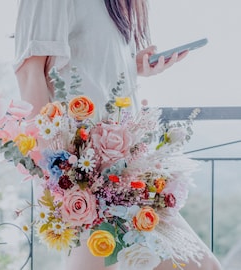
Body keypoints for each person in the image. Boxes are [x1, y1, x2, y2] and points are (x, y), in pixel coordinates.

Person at [13, 0, 222, 269]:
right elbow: (30, 74)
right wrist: (59, 172)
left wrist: (133, 66)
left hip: (123, 171)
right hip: (86, 174)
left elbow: (87, 67)